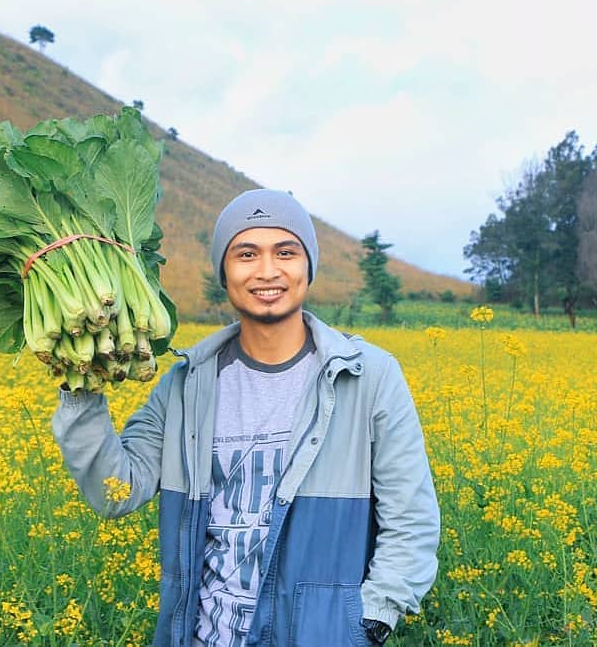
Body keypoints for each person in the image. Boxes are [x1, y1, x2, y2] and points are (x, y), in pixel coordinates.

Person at [51, 188, 440, 646]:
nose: (267, 271)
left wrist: (370, 622)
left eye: (286, 252)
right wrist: (80, 385)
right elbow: (115, 492)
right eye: (247, 254)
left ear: (307, 266)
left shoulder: (368, 377)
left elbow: (411, 519)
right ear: (224, 271)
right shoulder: (184, 385)